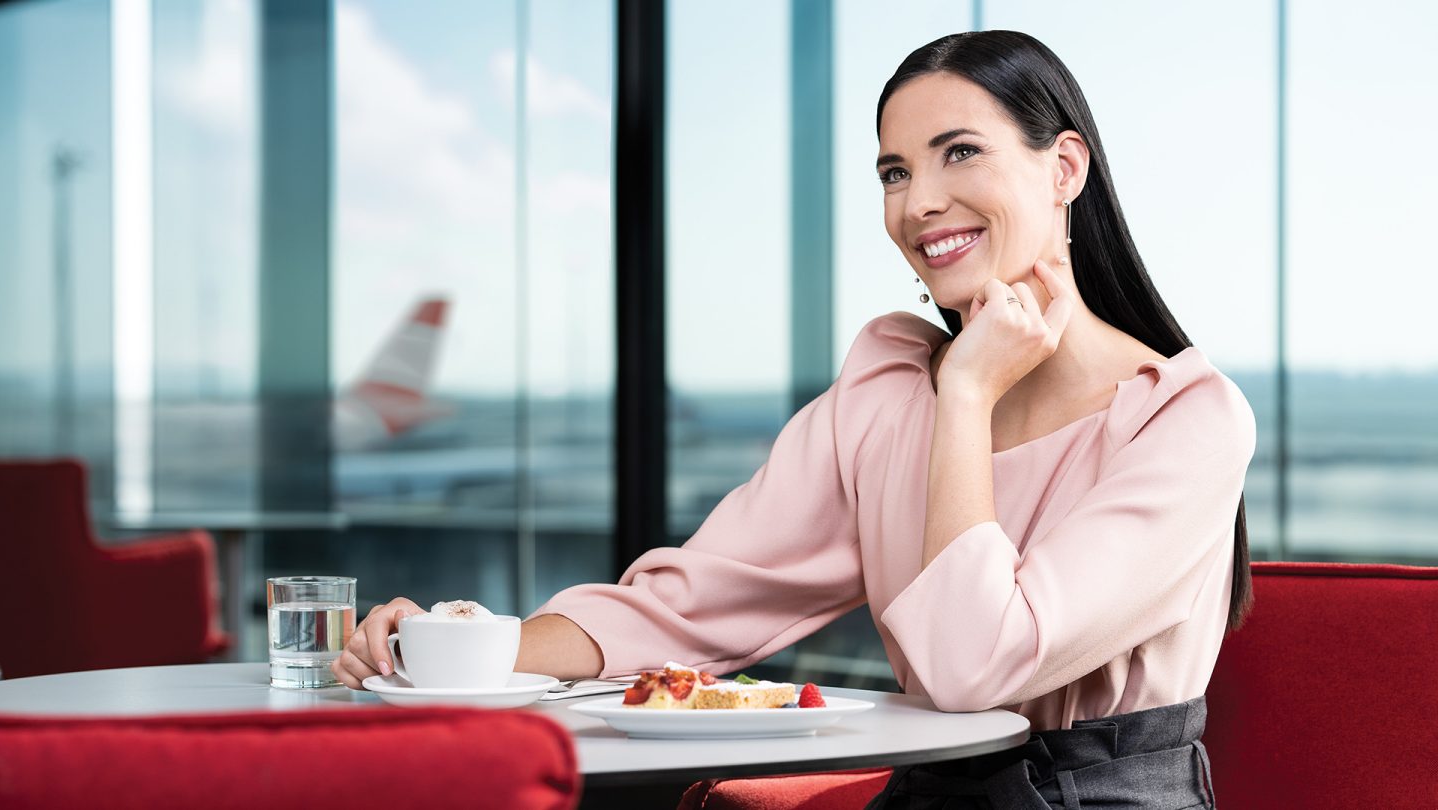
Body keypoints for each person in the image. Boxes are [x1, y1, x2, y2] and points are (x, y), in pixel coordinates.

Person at [333, 30, 1254, 809]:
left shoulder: (1185, 421)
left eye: (959, 152)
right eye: (896, 170)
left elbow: (974, 668)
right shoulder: (888, 393)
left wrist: (966, 395)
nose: (920, 201)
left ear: (1064, 169)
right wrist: (459, 651)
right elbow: (689, 603)